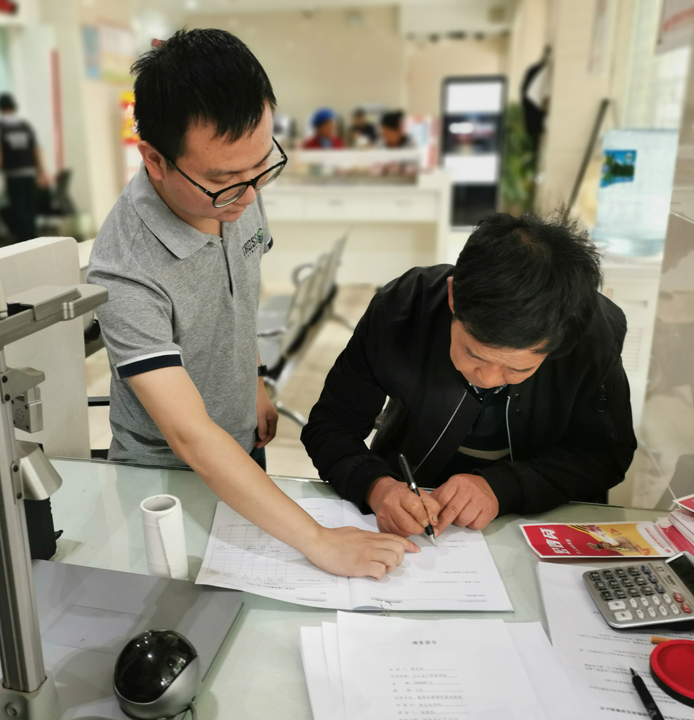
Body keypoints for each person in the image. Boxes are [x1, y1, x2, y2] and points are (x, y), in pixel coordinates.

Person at [86, 29, 414, 579]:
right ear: (155, 160)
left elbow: (239, 291)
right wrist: (320, 541)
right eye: (224, 179)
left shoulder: (236, 194)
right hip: (166, 475)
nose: (249, 194)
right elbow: (189, 435)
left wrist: (254, 379)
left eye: (261, 167)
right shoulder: (126, 269)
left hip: (239, 444)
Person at [301, 211, 637, 537]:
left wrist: (501, 488)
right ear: (452, 296)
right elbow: (331, 427)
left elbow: (604, 455)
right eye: (473, 354)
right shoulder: (402, 309)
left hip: (534, 506)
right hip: (413, 483)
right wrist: (377, 486)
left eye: (517, 368)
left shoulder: (591, 337)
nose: (487, 379)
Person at [0, 92, 48, 242]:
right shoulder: (25, 125)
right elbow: (36, 150)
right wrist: (42, 172)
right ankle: (34, 240)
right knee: (30, 208)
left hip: (13, 174)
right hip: (30, 172)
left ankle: (24, 241)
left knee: (18, 209)